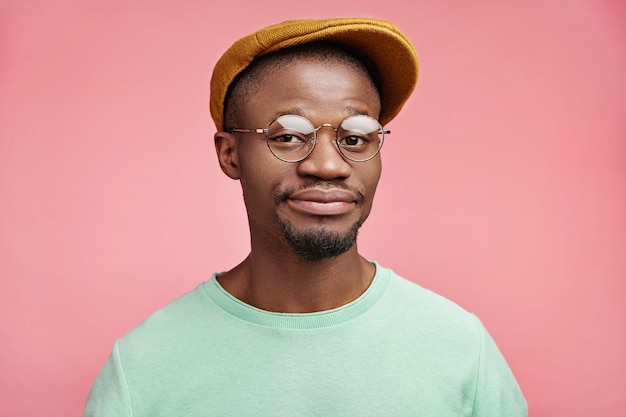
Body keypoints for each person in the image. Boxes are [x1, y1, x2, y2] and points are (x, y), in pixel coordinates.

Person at [84, 18, 527, 416]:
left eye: (356, 138)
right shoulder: (143, 367)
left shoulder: (460, 348)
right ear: (229, 153)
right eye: (291, 136)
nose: (329, 165)